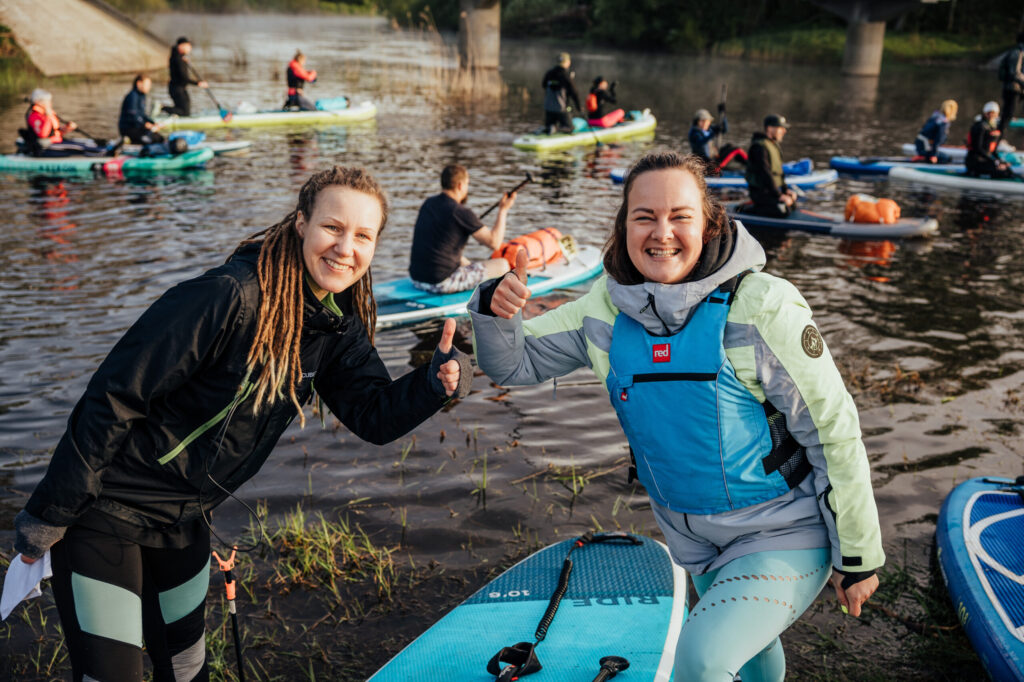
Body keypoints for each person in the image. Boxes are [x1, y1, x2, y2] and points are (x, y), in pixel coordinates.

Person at [11, 166, 472, 682]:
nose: (346, 248)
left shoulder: (336, 327)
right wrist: (51, 511)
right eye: (332, 228)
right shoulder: (229, 295)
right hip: (107, 514)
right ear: (301, 223)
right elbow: (115, 395)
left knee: (187, 672)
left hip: (185, 521)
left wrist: (435, 380)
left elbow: (374, 414)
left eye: (363, 236)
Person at [469, 151, 883, 682]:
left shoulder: (762, 307)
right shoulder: (605, 308)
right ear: (623, 226)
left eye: (679, 216)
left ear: (708, 222)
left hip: (783, 532)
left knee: (702, 660)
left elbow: (834, 431)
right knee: (752, 657)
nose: (661, 233)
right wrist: (494, 310)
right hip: (694, 540)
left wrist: (858, 554)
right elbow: (514, 363)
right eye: (644, 216)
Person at [409, 164, 516, 294]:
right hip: (440, 284)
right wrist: (503, 210)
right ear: (460, 185)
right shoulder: (460, 212)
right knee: (502, 264)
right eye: (467, 184)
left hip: (416, 279)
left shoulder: (428, 203)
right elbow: (495, 243)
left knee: (465, 261)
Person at [22, 89, 107, 157]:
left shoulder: (44, 114)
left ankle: (103, 148)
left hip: (55, 143)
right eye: (48, 102)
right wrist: (48, 116)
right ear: (39, 102)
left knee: (82, 143)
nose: (50, 104)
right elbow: (43, 135)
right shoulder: (34, 116)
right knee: (77, 147)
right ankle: (104, 153)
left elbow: (54, 133)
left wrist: (67, 128)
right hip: (45, 148)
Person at [744, 114, 798, 218]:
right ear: (769, 128)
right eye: (780, 128)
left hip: (771, 191)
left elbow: (779, 173)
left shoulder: (774, 145)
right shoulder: (760, 147)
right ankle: (746, 210)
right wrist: (779, 195)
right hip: (761, 193)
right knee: (782, 212)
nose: (784, 131)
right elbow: (765, 173)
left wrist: (786, 190)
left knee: (793, 205)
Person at [688, 105, 747, 171]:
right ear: (697, 122)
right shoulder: (694, 133)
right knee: (737, 150)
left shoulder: (709, 129)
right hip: (708, 164)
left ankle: (748, 166)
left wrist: (723, 115)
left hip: (714, 159)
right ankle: (751, 167)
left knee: (730, 147)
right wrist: (713, 134)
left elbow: (724, 129)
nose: (705, 123)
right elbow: (701, 142)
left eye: (707, 121)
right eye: (702, 121)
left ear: (709, 122)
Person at [966, 101, 1015, 179]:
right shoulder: (979, 127)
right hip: (975, 161)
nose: (991, 115)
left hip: (986, 160)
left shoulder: (993, 128)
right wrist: (994, 161)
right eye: (989, 113)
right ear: (985, 113)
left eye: (994, 113)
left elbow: (993, 151)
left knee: (1008, 171)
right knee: (1002, 172)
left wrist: (1000, 161)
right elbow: (978, 148)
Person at [163, 37, 208, 117]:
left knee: (184, 110)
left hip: (179, 88)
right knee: (185, 112)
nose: (190, 48)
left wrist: (184, 59)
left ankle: (171, 114)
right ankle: (161, 108)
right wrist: (198, 83)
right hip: (177, 89)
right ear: (181, 46)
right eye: (188, 46)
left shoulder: (178, 56)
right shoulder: (178, 59)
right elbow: (183, 77)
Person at [118, 73, 165, 145]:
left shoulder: (142, 96)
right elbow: (133, 117)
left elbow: (142, 115)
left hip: (138, 127)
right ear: (139, 84)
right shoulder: (132, 96)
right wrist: (145, 125)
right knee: (150, 140)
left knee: (160, 138)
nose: (149, 87)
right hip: (129, 129)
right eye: (147, 85)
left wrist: (153, 123)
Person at [542, 52, 582, 134]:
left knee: (549, 126)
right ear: (568, 62)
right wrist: (579, 108)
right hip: (561, 109)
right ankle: (556, 129)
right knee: (570, 128)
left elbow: (544, 85)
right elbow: (574, 93)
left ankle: (550, 127)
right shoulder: (566, 75)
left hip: (548, 108)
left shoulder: (549, 73)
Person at [997, 32, 1024, 135]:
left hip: (1016, 88)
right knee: (1007, 115)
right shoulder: (1017, 53)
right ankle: (998, 139)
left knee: (1008, 114)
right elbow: (1015, 73)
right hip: (1011, 88)